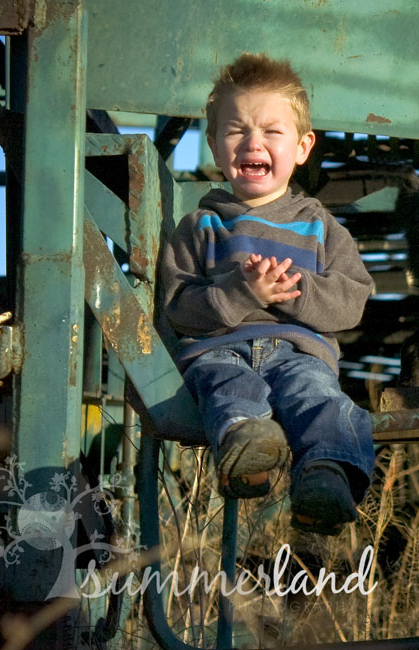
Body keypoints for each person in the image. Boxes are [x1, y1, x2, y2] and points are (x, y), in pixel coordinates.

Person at [161, 52, 375, 535]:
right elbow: (177, 307)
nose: (252, 141)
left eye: (271, 132)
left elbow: (352, 299)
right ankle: (247, 459)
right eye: (236, 131)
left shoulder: (320, 226)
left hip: (299, 354)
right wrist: (240, 292)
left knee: (320, 399)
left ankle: (325, 477)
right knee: (228, 391)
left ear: (302, 147)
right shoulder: (200, 226)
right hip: (220, 351)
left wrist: (291, 291)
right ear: (216, 146)